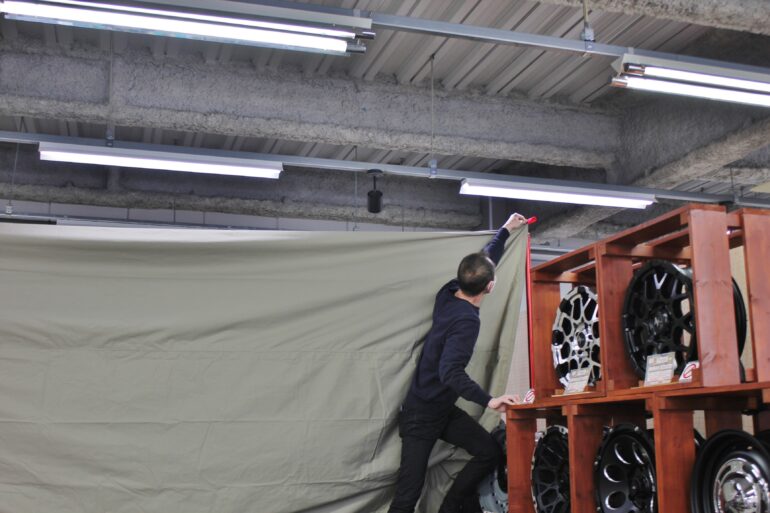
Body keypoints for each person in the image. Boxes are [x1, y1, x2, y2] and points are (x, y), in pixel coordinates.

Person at [387, 212, 528, 513]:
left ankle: (449, 509)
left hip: (442, 410)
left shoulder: (449, 292)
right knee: (407, 496)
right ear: (490, 287)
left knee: (488, 451)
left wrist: (506, 229)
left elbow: (483, 262)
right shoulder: (466, 321)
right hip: (420, 415)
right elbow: (449, 372)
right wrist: (490, 401)